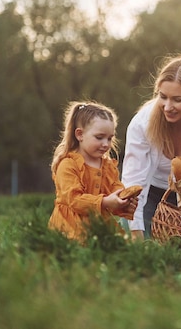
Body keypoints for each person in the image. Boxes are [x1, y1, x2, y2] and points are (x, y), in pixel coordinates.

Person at [122, 54, 181, 240]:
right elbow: (134, 182)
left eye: (177, 100)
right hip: (151, 196)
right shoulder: (142, 123)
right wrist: (136, 232)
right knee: (143, 239)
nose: (167, 106)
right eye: (163, 97)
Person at [48, 101, 138, 241]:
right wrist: (104, 202)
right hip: (70, 226)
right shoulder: (68, 164)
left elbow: (114, 189)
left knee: (117, 251)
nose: (106, 144)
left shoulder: (107, 166)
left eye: (109, 138)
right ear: (80, 135)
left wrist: (123, 202)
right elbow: (74, 200)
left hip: (100, 224)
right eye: (99, 137)